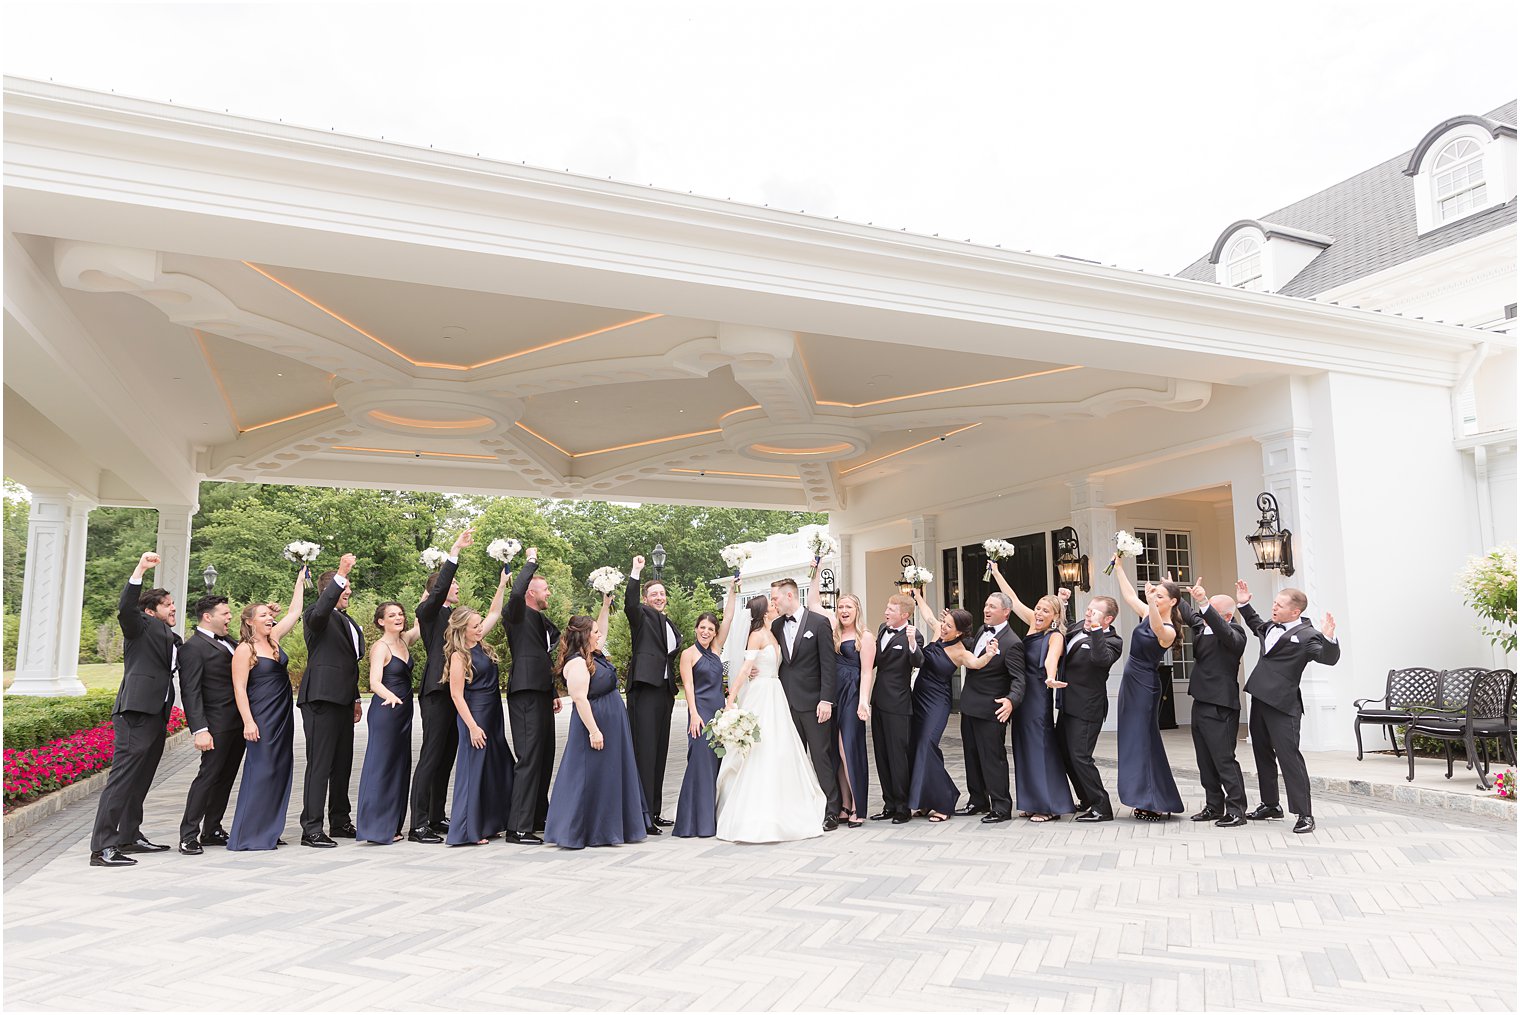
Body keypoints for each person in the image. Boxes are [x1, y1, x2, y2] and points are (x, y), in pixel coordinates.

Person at [89, 552, 181, 867]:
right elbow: (126, 607)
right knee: (123, 778)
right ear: (149, 611)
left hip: (158, 713)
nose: (173, 608)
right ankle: (102, 848)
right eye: (167, 604)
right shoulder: (139, 626)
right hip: (136, 712)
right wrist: (140, 569)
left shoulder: (172, 636)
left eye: (173, 604)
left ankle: (130, 835)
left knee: (141, 778)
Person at [715, 595, 827, 843]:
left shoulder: (774, 631)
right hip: (760, 693)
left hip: (776, 693)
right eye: (772, 605)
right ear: (764, 612)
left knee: (781, 746)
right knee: (760, 747)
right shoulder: (756, 634)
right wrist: (731, 698)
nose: (776, 607)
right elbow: (746, 668)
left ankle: (785, 802)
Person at [544, 595, 649, 849]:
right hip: (594, 724)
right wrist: (594, 731)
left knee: (608, 776)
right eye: (594, 632)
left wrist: (605, 605)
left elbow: (604, 627)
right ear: (584, 636)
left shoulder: (595, 655)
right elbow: (579, 698)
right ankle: (580, 830)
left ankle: (609, 828)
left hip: (612, 723)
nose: (598, 634)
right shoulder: (577, 663)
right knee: (587, 776)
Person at [1236, 581, 1340, 834]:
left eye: (1279, 605)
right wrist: (1244, 604)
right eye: (1274, 603)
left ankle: (1304, 813)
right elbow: (1255, 625)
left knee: (1289, 758)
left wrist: (1329, 637)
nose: (1274, 607)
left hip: (1284, 705)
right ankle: (1271, 804)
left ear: (1295, 612)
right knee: (1262, 753)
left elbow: (1328, 659)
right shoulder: (1271, 626)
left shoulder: (1308, 635)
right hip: (1259, 699)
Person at [987, 565, 1078, 822]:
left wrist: (1050, 677)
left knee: (1039, 748)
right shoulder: (1031, 623)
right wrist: (995, 572)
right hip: (1021, 695)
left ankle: (1048, 805)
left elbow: (1051, 660)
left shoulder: (1055, 635)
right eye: (1038, 608)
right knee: (1023, 747)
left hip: (1038, 694)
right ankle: (1030, 800)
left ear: (1055, 616)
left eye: (1045, 610)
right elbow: (1012, 599)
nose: (1038, 612)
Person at [905, 589, 1002, 821]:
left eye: (949, 625)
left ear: (960, 630)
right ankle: (926, 801)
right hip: (918, 697)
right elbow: (928, 615)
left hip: (937, 702)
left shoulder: (960, 652)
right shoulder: (938, 632)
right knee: (918, 748)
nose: (944, 626)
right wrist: (919, 597)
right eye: (944, 622)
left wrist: (989, 654)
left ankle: (946, 798)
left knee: (928, 746)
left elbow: (977, 664)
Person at [227, 568, 306, 851]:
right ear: (249, 622)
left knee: (280, 769)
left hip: (283, 713)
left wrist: (299, 579)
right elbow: (239, 689)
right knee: (262, 769)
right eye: (263, 616)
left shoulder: (274, 641)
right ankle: (249, 834)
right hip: (261, 715)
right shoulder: (244, 650)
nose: (270, 619)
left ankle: (269, 829)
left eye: (269, 616)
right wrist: (248, 722)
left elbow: (295, 611)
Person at [408, 528, 473, 844]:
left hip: (455, 690)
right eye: (453, 585)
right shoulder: (428, 612)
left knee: (447, 754)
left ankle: (436, 815)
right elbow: (441, 586)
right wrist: (454, 552)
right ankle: (417, 823)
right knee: (431, 755)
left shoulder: (453, 615)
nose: (457, 587)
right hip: (436, 690)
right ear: (440, 590)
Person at [1109, 557, 1186, 821]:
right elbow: (1130, 596)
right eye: (1155, 594)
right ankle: (1144, 795)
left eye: (1162, 595)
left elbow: (1155, 626)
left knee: (1143, 740)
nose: (1156, 597)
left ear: (1172, 602)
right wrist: (1119, 567)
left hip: (1145, 685)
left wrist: (1151, 602)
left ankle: (1154, 799)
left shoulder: (1169, 630)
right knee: (1131, 739)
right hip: (1130, 681)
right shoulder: (1146, 612)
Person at [298, 552, 364, 847]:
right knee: (320, 764)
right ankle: (311, 828)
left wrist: (356, 699)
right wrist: (341, 571)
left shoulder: (347, 620)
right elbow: (322, 609)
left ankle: (340, 821)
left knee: (342, 763)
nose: (348, 592)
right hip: (321, 699)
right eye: (343, 588)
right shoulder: (316, 615)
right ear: (330, 590)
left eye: (348, 588)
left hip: (343, 699)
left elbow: (350, 661)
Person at [444, 572, 513, 846]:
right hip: (475, 716)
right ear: (462, 628)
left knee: (496, 767)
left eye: (479, 624)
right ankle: (468, 830)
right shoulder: (459, 656)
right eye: (474, 625)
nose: (479, 627)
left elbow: (495, 611)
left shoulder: (481, 645)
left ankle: (491, 822)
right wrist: (472, 726)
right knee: (474, 771)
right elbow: (456, 695)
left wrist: (501, 584)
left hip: (493, 714)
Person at [1176, 579, 1249, 827]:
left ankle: (1237, 809)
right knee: (1204, 760)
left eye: (1211, 610)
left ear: (1227, 616)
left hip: (1221, 705)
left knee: (1223, 759)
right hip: (1200, 701)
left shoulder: (1235, 634)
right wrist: (1171, 591)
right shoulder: (1203, 628)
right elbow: (1189, 614)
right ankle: (1213, 806)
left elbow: (1222, 629)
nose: (1203, 613)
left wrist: (1205, 602)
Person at [769, 578, 841, 830]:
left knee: (821, 757)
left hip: (814, 703)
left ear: (790, 596)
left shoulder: (818, 623)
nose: (773, 602)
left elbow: (828, 666)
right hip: (785, 704)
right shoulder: (776, 625)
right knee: (791, 759)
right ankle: (799, 807)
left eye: (775, 598)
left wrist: (826, 700)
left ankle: (832, 809)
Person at [806, 571, 874, 828]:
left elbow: (867, 671)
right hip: (832, 694)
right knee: (834, 751)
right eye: (841, 606)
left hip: (852, 694)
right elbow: (813, 603)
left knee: (849, 750)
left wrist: (863, 702)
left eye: (849, 607)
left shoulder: (864, 637)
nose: (844, 610)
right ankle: (844, 804)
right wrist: (816, 568)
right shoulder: (832, 630)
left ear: (857, 610)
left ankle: (858, 805)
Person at [504, 546, 562, 845]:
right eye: (545, 589)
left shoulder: (541, 619)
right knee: (528, 757)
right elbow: (514, 594)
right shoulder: (515, 613)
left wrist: (552, 691)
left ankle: (539, 815)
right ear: (530, 592)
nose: (549, 593)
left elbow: (545, 654)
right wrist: (530, 561)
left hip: (541, 691)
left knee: (545, 756)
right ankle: (518, 827)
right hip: (525, 690)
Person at [177, 593, 242, 855]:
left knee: (226, 778)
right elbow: (190, 692)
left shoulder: (229, 641)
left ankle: (212, 829)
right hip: (215, 726)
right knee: (207, 778)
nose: (229, 617)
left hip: (237, 722)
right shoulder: (192, 648)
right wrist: (200, 729)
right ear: (207, 617)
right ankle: (188, 834)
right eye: (224, 614)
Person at [673, 580, 739, 838]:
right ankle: (692, 823)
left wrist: (733, 588)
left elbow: (730, 617)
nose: (706, 632)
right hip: (699, 714)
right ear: (696, 629)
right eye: (702, 627)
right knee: (698, 765)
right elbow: (688, 686)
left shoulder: (716, 648)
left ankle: (710, 820)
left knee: (715, 766)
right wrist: (694, 715)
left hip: (718, 714)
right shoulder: (688, 654)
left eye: (711, 629)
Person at [1052, 588, 1124, 823]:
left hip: (1087, 708)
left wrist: (1095, 631)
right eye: (1088, 610)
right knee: (1065, 754)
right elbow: (1070, 625)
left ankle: (1102, 807)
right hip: (1066, 704)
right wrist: (1064, 604)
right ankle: (1085, 798)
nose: (1089, 615)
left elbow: (1100, 659)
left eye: (1094, 612)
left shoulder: (1113, 641)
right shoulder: (1079, 627)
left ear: (1108, 619)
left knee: (1081, 756)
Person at [954, 591, 1025, 824]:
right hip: (970, 704)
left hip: (992, 709)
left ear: (1006, 611)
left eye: (992, 606)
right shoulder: (981, 631)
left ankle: (1002, 806)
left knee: (992, 758)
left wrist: (1011, 700)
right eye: (986, 605)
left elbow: (1018, 679)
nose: (986, 609)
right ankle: (977, 800)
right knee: (971, 756)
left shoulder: (1012, 643)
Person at [355, 602, 421, 844]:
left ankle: (392, 823)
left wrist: (431, 588)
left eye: (400, 614)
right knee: (381, 766)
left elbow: (421, 620)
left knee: (399, 766)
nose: (398, 618)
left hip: (403, 713)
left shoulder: (404, 641)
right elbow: (374, 682)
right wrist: (390, 695)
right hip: (386, 711)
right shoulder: (380, 647)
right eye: (392, 615)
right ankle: (374, 827)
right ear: (381, 621)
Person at [625, 554, 682, 834]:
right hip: (645, 690)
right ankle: (642, 814)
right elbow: (629, 604)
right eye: (654, 594)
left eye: (662, 593)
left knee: (659, 752)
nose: (659, 597)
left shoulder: (667, 623)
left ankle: (656, 811)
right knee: (644, 752)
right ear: (646, 599)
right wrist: (636, 571)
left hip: (664, 692)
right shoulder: (641, 616)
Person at [859, 593, 923, 823]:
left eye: (891, 610)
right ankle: (888, 804)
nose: (886, 612)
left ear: (904, 615)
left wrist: (914, 643)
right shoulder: (881, 629)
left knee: (898, 757)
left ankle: (902, 807)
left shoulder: (913, 635)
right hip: (879, 702)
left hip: (899, 704)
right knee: (882, 754)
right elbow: (872, 661)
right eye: (887, 608)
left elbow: (918, 662)